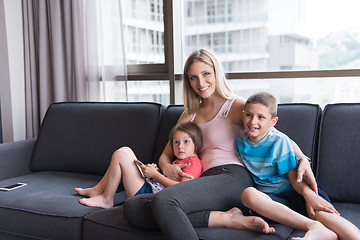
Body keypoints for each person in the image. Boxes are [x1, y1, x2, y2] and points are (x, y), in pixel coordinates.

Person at [123, 48, 317, 240]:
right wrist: (166, 167)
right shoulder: (188, 115)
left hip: (232, 177)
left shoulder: (234, 106)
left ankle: (226, 216)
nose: (200, 82)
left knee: (165, 200)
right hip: (201, 183)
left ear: (216, 73)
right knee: (133, 207)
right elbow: (165, 155)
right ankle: (226, 219)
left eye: (206, 74)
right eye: (193, 77)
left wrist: (302, 160)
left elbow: (278, 137)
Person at [236, 91, 360, 240]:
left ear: (273, 122)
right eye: (249, 115)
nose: (253, 121)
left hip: (299, 189)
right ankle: (317, 230)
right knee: (248, 194)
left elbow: (294, 177)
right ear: (243, 114)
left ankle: (320, 231)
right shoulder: (239, 142)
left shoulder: (279, 141)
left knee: (322, 214)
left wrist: (309, 197)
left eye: (260, 117)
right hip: (276, 200)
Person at [74, 122, 203, 209]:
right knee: (126, 150)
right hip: (151, 187)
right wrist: (153, 171)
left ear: (196, 145)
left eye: (186, 141)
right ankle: (97, 190)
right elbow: (166, 181)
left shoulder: (193, 163)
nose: (180, 146)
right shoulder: (179, 160)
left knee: (120, 155)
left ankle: (106, 199)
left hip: (148, 197)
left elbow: (183, 189)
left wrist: (156, 175)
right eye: (176, 142)